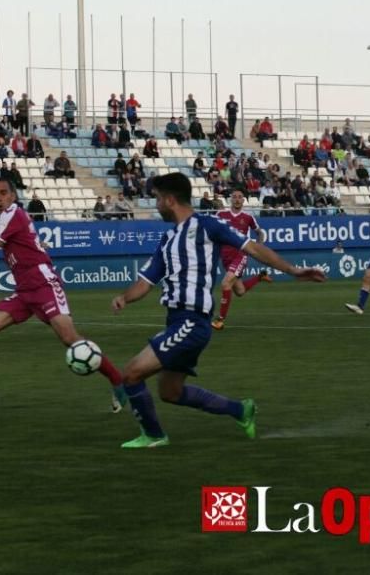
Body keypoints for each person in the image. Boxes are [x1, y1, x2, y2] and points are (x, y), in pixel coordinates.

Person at [110, 172, 325, 448]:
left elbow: (253, 248)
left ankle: (153, 435)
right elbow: (145, 283)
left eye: (157, 200)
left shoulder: (207, 225)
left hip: (191, 321)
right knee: (170, 392)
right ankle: (240, 410)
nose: (156, 206)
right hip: (177, 321)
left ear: (170, 200)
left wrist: (293, 270)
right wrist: (124, 298)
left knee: (131, 374)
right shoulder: (167, 240)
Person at [0, 178, 128, 411]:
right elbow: (28, 240)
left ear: (12, 196)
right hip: (24, 290)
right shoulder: (10, 217)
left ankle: (118, 380)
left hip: (43, 285)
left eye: (3, 193)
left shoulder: (12, 213)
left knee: (70, 338)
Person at [211, 191, 273, 331]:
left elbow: (260, 232)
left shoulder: (248, 217)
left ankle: (220, 320)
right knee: (240, 291)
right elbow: (212, 230)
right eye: (234, 197)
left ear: (243, 200)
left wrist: (259, 246)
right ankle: (260, 277)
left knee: (226, 283)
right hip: (225, 257)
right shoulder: (221, 215)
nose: (237, 200)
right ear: (230, 200)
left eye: (240, 197)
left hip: (240, 254)